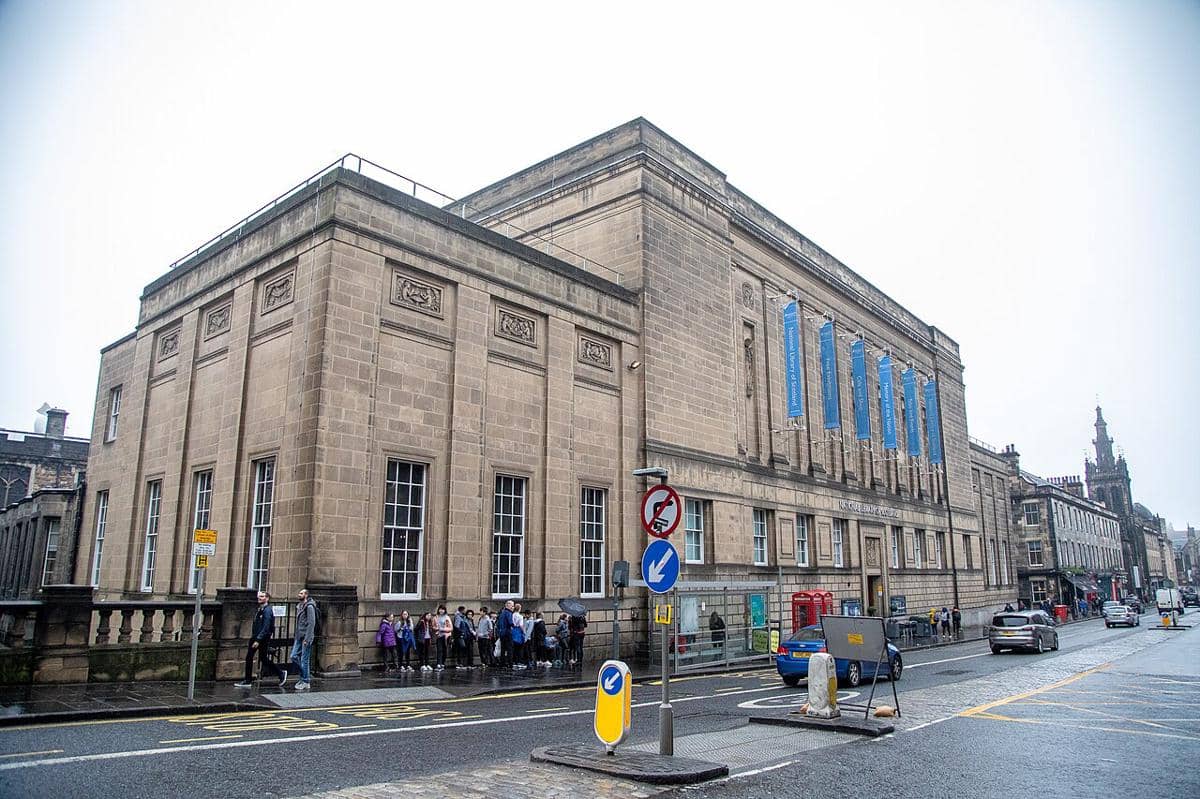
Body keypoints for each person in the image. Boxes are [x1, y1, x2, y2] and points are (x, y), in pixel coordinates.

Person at [235, 590, 287, 688]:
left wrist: (258, 640)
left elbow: (266, 626)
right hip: (258, 636)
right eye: (259, 596)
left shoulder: (267, 611)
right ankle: (280, 673)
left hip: (260, 638)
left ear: (267, 598)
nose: (259, 598)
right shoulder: (261, 609)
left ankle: (248, 680)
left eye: (262, 596)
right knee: (263, 658)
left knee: (250, 657)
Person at [288, 588, 316, 691]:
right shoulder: (300, 606)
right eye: (299, 593)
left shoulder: (309, 607)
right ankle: (304, 676)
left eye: (301, 593)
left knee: (304, 659)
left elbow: (311, 623)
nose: (299, 595)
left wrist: (307, 638)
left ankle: (305, 681)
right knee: (294, 656)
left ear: (306, 595)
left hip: (305, 637)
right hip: (299, 636)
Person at [497, 600, 515, 668]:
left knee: (503, 649)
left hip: (502, 633)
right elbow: (510, 622)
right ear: (508, 605)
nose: (513, 607)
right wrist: (514, 626)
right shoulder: (508, 613)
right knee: (510, 649)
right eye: (512, 606)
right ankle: (510, 664)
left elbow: (498, 624)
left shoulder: (502, 613)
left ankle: (502, 663)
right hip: (507, 632)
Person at [435, 605, 452, 670]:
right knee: (439, 650)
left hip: (445, 636)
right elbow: (434, 626)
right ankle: (439, 663)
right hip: (439, 635)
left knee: (444, 649)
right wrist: (436, 629)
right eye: (440, 609)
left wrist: (442, 629)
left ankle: (442, 663)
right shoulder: (436, 617)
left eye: (443, 609)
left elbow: (450, 628)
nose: (441, 610)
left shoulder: (447, 618)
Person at [510, 603, 526, 669]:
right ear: (519, 609)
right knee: (519, 648)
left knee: (513, 648)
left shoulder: (512, 615)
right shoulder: (520, 616)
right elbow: (521, 625)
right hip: (518, 631)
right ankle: (519, 662)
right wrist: (524, 632)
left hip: (513, 631)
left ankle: (513, 662)